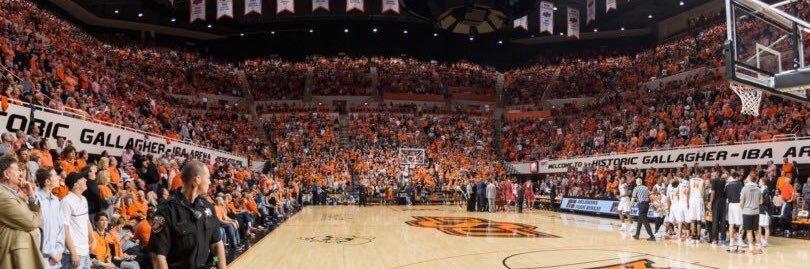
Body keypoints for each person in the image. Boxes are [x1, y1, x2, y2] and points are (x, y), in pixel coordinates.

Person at [148, 160, 226, 269]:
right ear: (197, 179)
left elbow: (216, 244)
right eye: (208, 178)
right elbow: (158, 256)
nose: (210, 182)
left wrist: (219, 265)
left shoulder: (208, 207)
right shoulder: (166, 211)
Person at [0, 154, 45, 269]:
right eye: (17, 170)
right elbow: (32, 222)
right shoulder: (2, 196)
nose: (20, 174)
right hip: (14, 258)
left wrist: (31, 195)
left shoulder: (14, 193)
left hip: (22, 255)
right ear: (6, 174)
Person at [62, 171, 95, 269]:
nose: (85, 180)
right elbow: (64, 229)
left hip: (85, 251)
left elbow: (87, 221)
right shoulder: (66, 202)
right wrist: (73, 252)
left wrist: (93, 239)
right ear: (75, 185)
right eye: (81, 179)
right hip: (73, 253)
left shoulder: (84, 199)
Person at [35, 167, 66, 269]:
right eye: (55, 175)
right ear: (47, 181)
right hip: (41, 258)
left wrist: (59, 251)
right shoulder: (35, 199)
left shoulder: (56, 200)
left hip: (55, 259)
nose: (58, 177)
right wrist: (52, 253)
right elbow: (37, 231)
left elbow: (60, 228)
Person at [740, 175, 762, 254]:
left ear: (749, 179)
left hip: (747, 212)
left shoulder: (744, 189)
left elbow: (741, 202)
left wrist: (743, 209)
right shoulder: (758, 189)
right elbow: (761, 202)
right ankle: (759, 248)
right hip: (756, 212)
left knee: (749, 231)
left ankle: (751, 249)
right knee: (756, 231)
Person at [725, 172, 744, 253]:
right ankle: (739, 242)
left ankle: (731, 242)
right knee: (741, 224)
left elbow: (726, 195)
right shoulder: (739, 184)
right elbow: (742, 196)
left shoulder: (728, 185)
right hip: (738, 205)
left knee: (731, 224)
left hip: (730, 205)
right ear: (736, 177)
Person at [708, 171, 727, 245]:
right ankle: (723, 240)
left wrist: (710, 202)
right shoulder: (724, 181)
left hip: (716, 202)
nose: (712, 176)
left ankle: (715, 239)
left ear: (716, 175)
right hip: (723, 202)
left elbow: (713, 192)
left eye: (713, 174)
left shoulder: (714, 181)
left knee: (715, 221)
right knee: (722, 221)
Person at [687, 174, 705, 244]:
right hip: (699, 199)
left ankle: (693, 236)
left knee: (693, 219)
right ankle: (698, 237)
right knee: (699, 220)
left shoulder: (691, 180)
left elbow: (688, 191)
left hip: (692, 199)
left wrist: (688, 201)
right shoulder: (702, 181)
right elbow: (703, 193)